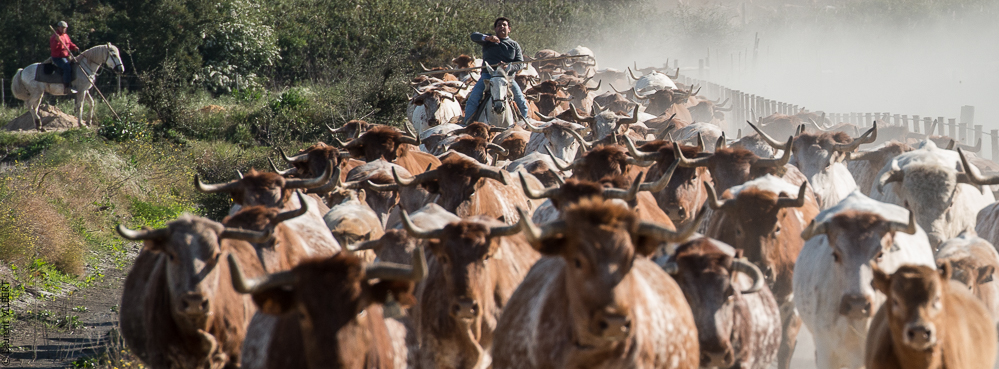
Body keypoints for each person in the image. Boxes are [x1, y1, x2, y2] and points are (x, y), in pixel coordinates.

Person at [463, 17, 529, 125]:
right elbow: (473, 36)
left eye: (504, 25)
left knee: (521, 102)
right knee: (472, 100)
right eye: (499, 25)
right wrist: (487, 38)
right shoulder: (488, 41)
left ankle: (525, 127)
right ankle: (468, 126)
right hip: (487, 77)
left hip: (507, 79)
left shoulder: (514, 45)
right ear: (495, 29)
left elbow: (520, 64)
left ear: (509, 29)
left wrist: (508, 67)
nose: (502, 27)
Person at [50, 21, 80, 93]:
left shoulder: (65, 35)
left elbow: (69, 43)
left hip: (67, 56)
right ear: (58, 27)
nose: (64, 29)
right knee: (67, 67)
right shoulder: (55, 37)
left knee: (76, 64)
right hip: (58, 57)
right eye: (62, 28)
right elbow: (53, 48)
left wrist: (75, 47)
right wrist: (57, 41)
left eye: (65, 28)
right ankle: (67, 86)